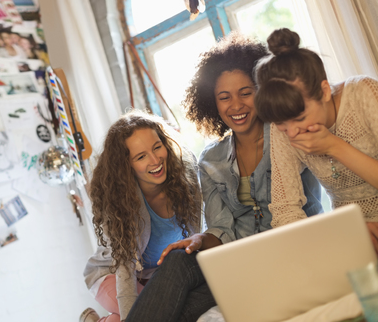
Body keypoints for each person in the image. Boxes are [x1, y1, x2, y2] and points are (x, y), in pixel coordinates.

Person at [125, 32, 323, 322]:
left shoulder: (288, 133)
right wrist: (198, 239)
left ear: (262, 90)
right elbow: (222, 229)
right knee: (180, 260)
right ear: (212, 103)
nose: (236, 105)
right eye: (224, 97)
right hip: (238, 263)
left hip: (292, 254)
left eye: (246, 92)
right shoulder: (211, 159)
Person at [253, 28, 378, 254]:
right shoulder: (284, 125)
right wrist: (347, 232)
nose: (291, 133)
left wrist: (334, 146)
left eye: (300, 118)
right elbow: (284, 211)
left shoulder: (363, 93)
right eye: (282, 124)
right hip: (351, 237)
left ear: (324, 91)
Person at [81, 110, 202, 322]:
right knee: (144, 313)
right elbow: (125, 273)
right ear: (126, 165)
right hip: (112, 274)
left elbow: (195, 239)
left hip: (156, 274)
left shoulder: (187, 178)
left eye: (157, 147)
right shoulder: (120, 204)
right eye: (141, 156)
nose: (155, 160)